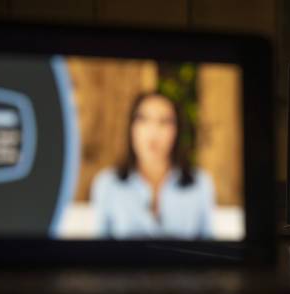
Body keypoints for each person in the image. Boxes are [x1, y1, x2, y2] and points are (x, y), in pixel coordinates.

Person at [91, 92, 214, 239]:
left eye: (164, 122)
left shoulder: (200, 184)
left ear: (176, 131)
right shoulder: (107, 184)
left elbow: (209, 250)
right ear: (132, 128)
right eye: (143, 120)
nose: (153, 131)